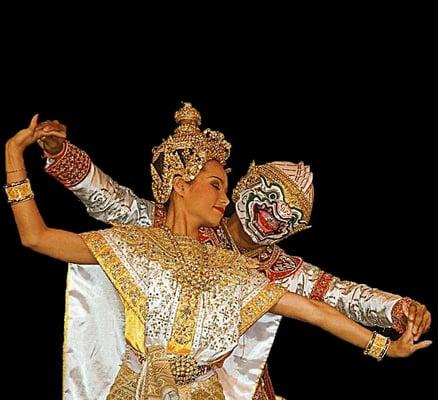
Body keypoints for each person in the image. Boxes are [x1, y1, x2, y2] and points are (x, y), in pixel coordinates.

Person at [36, 110, 431, 399]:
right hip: (150, 378)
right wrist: (60, 152)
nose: (272, 216)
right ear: (244, 187)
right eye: (270, 199)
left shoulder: (282, 269)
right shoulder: (170, 225)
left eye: (288, 217)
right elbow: (109, 198)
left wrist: (399, 310)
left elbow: (339, 296)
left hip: (230, 386)